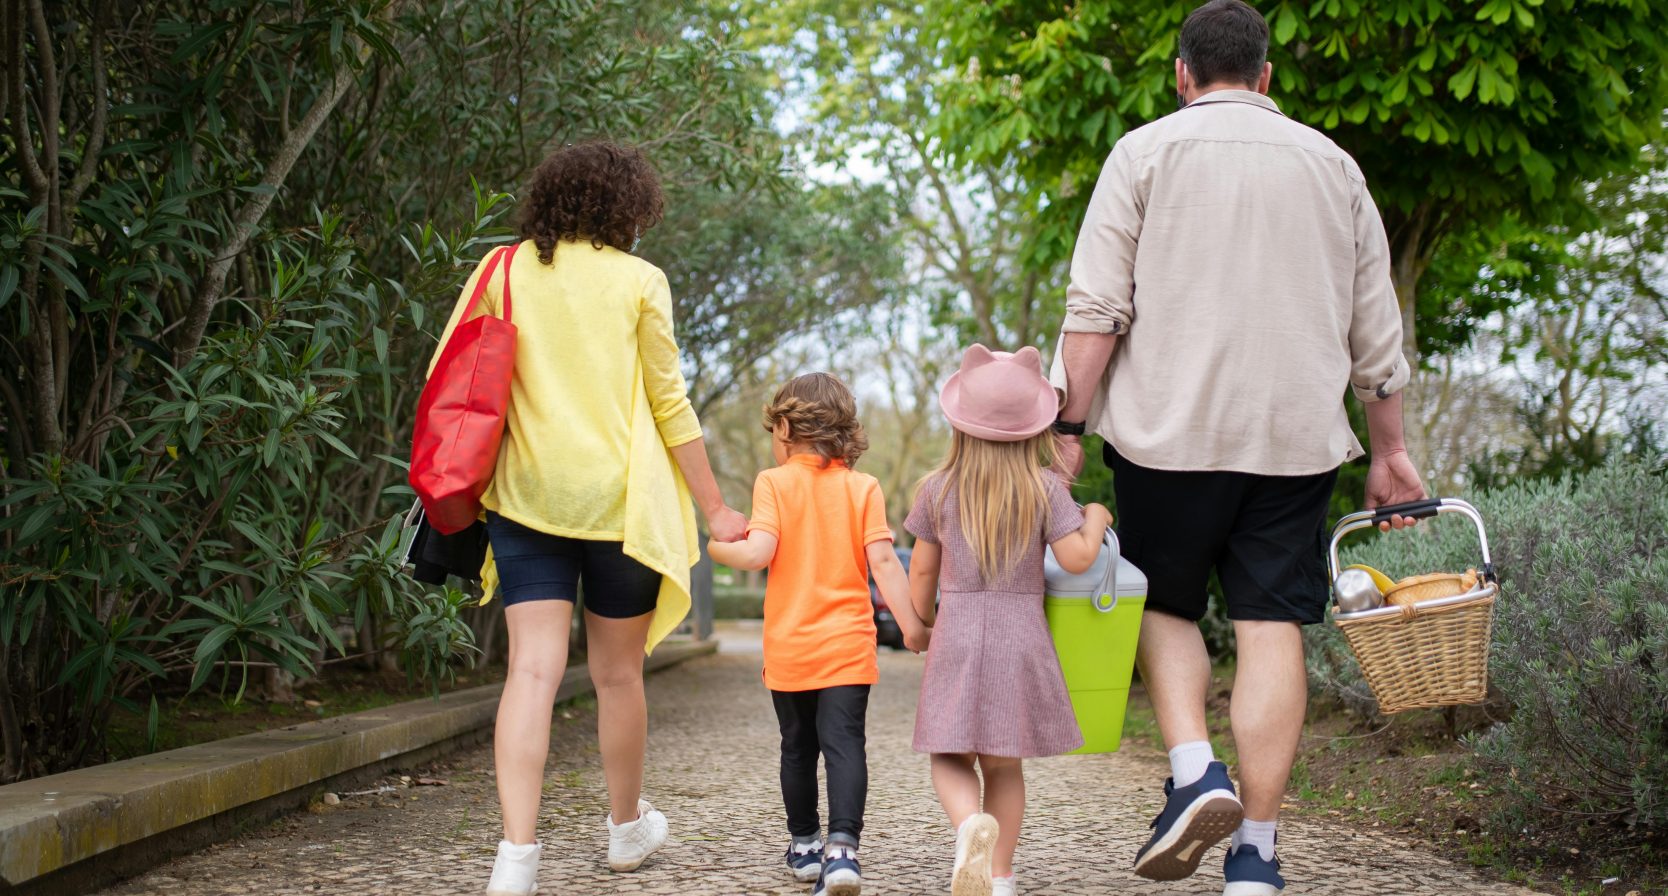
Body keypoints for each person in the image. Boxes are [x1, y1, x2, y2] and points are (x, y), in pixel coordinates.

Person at [1048, 2, 1428, 893]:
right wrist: (1390, 450)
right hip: (1296, 441)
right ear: (1266, 77)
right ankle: (1255, 851)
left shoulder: (1142, 153)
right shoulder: (1335, 166)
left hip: (1165, 435)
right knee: (1270, 626)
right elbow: (1376, 329)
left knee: (1168, 608)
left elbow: (1097, 309)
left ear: (1183, 75)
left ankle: (1193, 775)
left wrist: (1068, 428)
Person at [425, 141, 749, 896]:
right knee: (616, 675)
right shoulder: (641, 280)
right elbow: (670, 403)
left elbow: (454, 371)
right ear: (629, 208)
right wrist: (716, 508)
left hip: (529, 498)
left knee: (531, 672)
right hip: (620, 506)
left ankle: (516, 858)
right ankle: (625, 830)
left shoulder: (502, 270)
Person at [707, 372, 931, 896]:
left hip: (791, 646)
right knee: (846, 743)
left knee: (797, 745)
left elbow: (757, 553)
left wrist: (715, 547)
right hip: (849, 644)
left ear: (784, 427)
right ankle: (843, 851)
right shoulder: (863, 487)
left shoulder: (772, 482)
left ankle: (805, 844)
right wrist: (916, 629)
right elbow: (884, 563)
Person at [905, 345, 1114, 896]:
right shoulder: (1045, 487)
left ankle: (968, 827)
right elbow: (1076, 558)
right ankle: (1000, 878)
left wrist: (919, 625)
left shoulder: (937, 488)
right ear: (1035, 428)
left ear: (959, 424)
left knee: (949, 754)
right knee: (1004, 765)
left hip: (958, 633)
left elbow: (923, 573)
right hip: (1021, 634)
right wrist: (1096, 517)